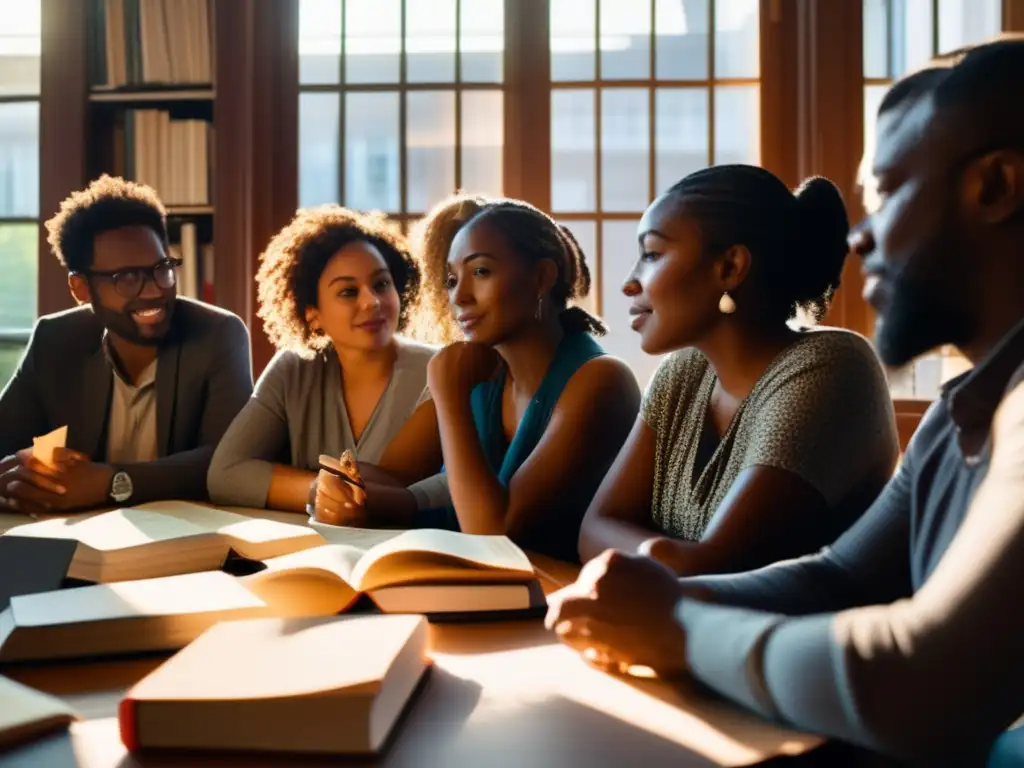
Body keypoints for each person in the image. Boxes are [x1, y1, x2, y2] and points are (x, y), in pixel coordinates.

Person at [546, 38, 1024, 766]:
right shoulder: (964, 411)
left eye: (889, 191)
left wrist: (677, 626)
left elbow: (926, 685)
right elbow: (841, 574)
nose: (860, 239)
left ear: (996, 186)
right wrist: (651, 602)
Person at [577, 166, 898, 575]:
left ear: (730, 267)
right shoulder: (683, 372)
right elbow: (592, 531)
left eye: (653, 254)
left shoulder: (832, 367)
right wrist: (669, 557)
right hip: (677, 631)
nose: (628, 283)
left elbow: (719, 569)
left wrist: (641, 552)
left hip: (798, 637)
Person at [313, 195, 641, 561]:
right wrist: (345, 492)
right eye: (452, 280)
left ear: (541, 277)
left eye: (481, 271)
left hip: (569, 600)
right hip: (489, 587)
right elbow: (397, 478)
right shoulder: (488, 372)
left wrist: (449, 394)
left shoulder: (601, 380)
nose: (460, 297)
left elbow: (494, 532)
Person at [0, 175, 253, 516]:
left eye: (161, 269)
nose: (153, 291)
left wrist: (110, 482)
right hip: (79, 540)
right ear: (81, 289)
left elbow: (228, 461)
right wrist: (17, 479)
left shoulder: (218, 334)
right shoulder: (54, 340)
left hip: (183, 537)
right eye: (127, 278)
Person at [208, 206, 439, 512]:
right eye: (348, 292)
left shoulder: (437, 372)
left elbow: (406, 489)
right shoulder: (293, 369)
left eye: (382, 284)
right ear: (312, 314)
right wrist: (318, 491)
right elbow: (225, 474)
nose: (371, 301)